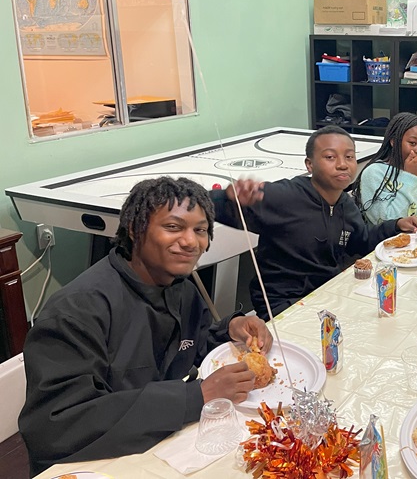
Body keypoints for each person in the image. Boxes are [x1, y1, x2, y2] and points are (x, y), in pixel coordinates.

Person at [19, 177, 272, 475]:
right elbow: (55, 427)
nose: (191, 241)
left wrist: (230, 328)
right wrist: (196, 397)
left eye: (200, 230)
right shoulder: (76, 311)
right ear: (135, 228)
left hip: (159, 445)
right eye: (173, 227)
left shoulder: (181, 288)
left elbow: (190, 348)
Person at [210, 125, 417, 319]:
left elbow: (362, 240)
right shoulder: (285, 195)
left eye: (349, 157)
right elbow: (210, 206)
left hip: (327, 293)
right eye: (330, 157)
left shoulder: (345, 204)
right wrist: (228, 197)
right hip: (283, 304)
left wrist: (396, 225)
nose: (342, 165)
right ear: (310, 164)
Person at [355, 112, 417, 225]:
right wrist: (410, 176)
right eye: (412, 143)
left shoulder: (408, 168)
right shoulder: (374, 173)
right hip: (391, 240)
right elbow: (389, 221)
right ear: (393, 141)